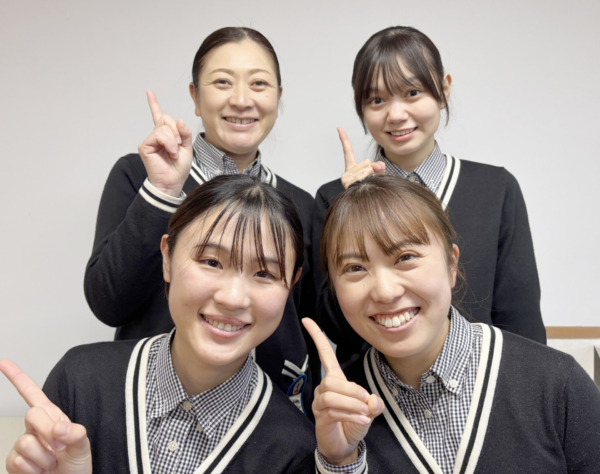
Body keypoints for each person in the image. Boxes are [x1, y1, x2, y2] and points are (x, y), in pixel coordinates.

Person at [2, 175, 316, 474]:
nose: (233, 298)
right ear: (167, 259)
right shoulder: (80, 382)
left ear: (292, 283)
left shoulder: (296, 448)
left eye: (264, 274)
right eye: (211, 262)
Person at [84, 27, 318, 410]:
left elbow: (313, 324)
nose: (241, 100)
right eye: (222, 82)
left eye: (259, 84)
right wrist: (163, 193)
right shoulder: (142, 175)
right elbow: (107, 303)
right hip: (154, 406)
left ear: (278, 97)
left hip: (269, 414)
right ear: (195, 96)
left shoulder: (301, 205)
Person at [305, 175, 600, 473]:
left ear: (451, 264)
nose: (385, 291)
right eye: (355, 267)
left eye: (405, 257)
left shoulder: (557, 384)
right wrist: (339, 462)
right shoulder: (338, 412)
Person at [313, 26, 545, 368]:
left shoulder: (495, 188)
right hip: (372, 392)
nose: (395, 114)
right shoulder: (333, 198)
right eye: (376, 100)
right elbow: (335, 326)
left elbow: (521, 320)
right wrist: (355, 208)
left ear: (443, 90)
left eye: (412, 92)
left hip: (480, 387)